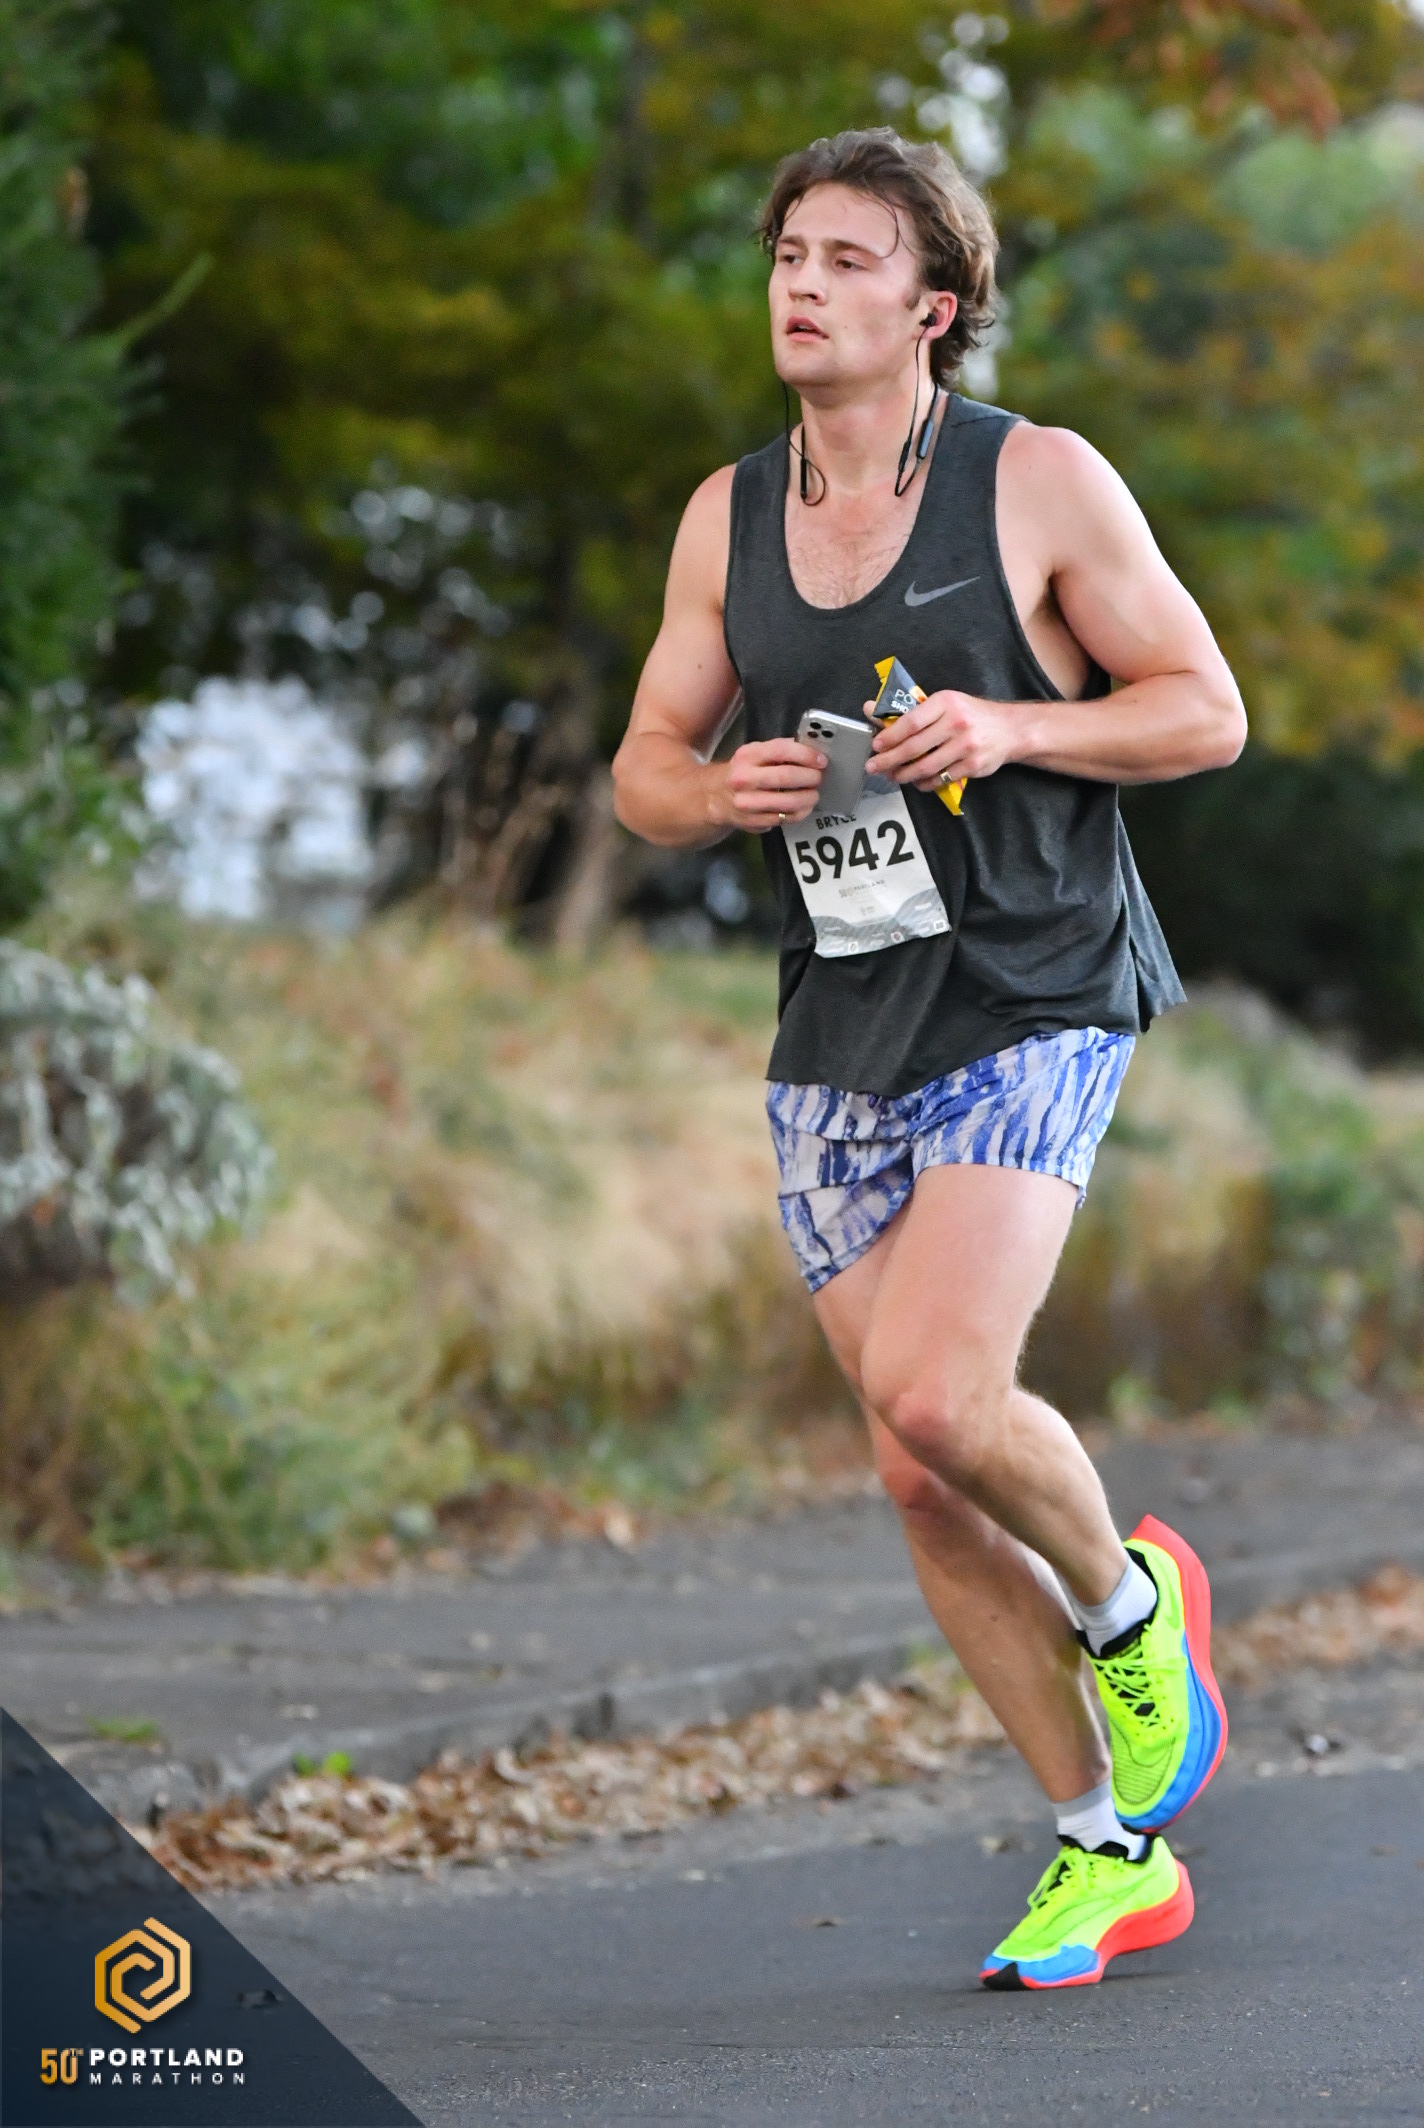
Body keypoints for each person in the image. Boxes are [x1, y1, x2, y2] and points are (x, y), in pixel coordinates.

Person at [612, 126, 1245, 1990]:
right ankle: (1103, 1847)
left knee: (944, 1395)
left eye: (846, 259)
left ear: (935, 307)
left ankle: (1131, 1609)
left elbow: (1202, 711)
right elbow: (643, 766)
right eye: (786, 255)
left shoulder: (1035, 479)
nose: (801, 285)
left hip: (1035, 987)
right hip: (843, 1019)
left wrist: (1015, 729)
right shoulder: (728, 517)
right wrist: (717, 791)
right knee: (914, 1471)